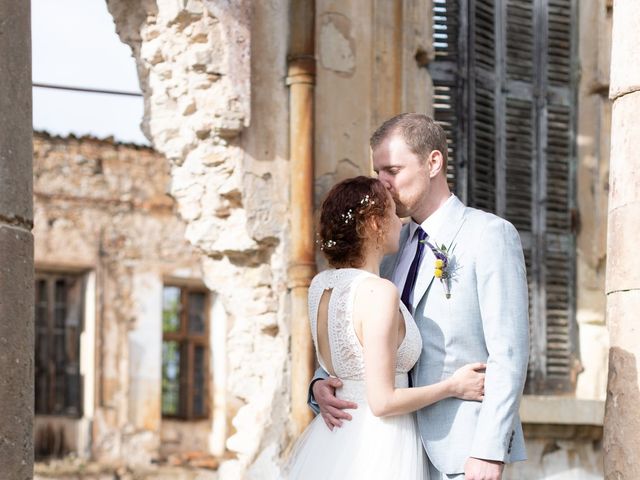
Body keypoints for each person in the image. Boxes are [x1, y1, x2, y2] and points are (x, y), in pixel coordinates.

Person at [310, 114, 530, 480]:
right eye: (378, 172)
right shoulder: (389, 248)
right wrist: (320, 385)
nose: (383, 184)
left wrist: (489, 450)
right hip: (390, 448)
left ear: (433, 162)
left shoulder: (489, 235)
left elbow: (509, 353)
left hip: (462, 453)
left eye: (392, 170)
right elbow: (358, 332)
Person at [285, 176, 487, 479]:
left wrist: (317, 385)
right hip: (378, 443)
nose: (401, 221)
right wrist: (454, 386)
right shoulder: (379, 292)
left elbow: (342, 366)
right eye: (393, 212)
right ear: (374, 224)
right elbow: (382, 401)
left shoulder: (320, 286)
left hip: (335, 438)